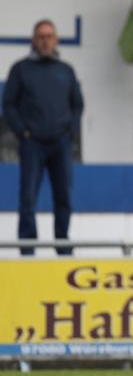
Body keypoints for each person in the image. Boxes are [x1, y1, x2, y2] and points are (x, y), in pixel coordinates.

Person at [2, 20, 83, 256]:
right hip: (32, 144)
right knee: (28, 198)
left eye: (49, 36)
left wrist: (70, 131)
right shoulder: (20, 69)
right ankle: (28, 249)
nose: (45, 40)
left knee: (64, 197)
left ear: (56, 40)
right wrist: (22, 131)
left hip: (60, 143)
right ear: (33, 40)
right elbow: (8, 104)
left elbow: (77, 104)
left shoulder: (66, 70)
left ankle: (62, 246)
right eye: (41, 36)